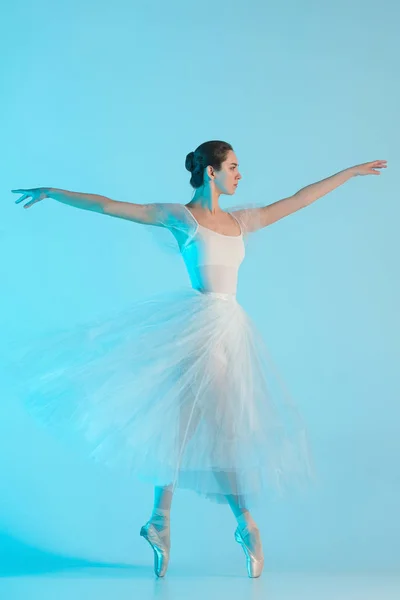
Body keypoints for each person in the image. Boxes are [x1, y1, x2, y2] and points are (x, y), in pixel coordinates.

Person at [11, 141, 387, 578]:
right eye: (232, 167)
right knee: (207, 428)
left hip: (228, 332)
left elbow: (299, 199)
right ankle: (233, 523)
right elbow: (111, 206)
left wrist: (349, 173)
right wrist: (56, 192)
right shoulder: (181, 217)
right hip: (196, 329)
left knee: (189, 425)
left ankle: (164, 520)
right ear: (211, 172)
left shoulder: (240, 221)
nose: (239, 174)